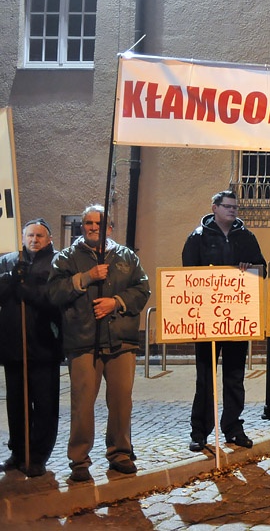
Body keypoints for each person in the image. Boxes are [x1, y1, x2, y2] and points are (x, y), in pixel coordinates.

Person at [48, 205, 150, 483]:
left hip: (121, 341)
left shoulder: (126, 256)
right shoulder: (67, 258)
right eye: (89, 223)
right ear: (83, 227)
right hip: (82, 340)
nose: (94, 227)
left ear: (109, 228)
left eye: (99, 223)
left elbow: (142, 289)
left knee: (121, 402)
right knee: (82, 403)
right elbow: (54, 292)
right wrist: (86, 278)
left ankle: (120, 453)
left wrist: (115, 302)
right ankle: (79, 460)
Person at [182, 190, 266, 452]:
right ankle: (200, 431)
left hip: (237, 319)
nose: (232, 210)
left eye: (235, 207)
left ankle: (232, 427)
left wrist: (249, 268)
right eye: (227, 206)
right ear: (214, 208)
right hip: (207, 320)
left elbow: (261, 269)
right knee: (205, 378)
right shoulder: (198, 237)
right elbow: (187, 276)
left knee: (234, 377)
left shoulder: (246, 237)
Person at [0, 219, 63, 477]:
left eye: (39, 235)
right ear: (23, 238)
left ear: (49, 239)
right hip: (14, 346)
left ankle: (38, 454)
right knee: (16, 403)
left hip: (43, 345)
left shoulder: (58, 262)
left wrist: (28, 289)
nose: (34, 240)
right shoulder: (9, 261)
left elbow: (54, 298)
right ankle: (18, 450)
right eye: (29, 235)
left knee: (45, 404)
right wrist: (11, 277)